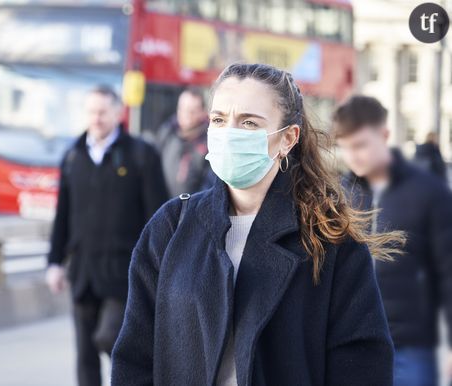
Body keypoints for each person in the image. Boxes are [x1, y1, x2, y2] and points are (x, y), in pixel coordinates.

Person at [111, 63, 402, 385]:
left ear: (288, 139)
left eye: (248, 123)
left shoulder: (329, 239)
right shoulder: (171, 226)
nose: (229, 134)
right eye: (219, 120)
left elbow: (361, 364)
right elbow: (135, 356)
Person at [45, 85, 168, 386]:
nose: (96, 118)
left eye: (102, 112)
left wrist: (159, 265)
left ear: (117, 113)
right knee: (85, 356)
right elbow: (62, 214)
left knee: (111, 338)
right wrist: (55, 262)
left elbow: (159, 214)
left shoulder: (141, 155)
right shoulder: (73, 156)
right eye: (91, 112)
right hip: (83, 270)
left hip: (124, 272)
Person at [334, 95, 452, 386]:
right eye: (345, 147)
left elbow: (449, 271)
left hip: (408, 347)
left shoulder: (428, 192)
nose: (353, 156)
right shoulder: (339, 196)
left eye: (360, 145)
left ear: (384, 136)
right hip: (351, 343)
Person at [153, 88, 214, 197]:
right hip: (163, 205)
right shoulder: (167, 132)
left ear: (203, 112)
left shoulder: (210, 141)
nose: (186, 115)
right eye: (182, 109)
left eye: (192, 111)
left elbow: (209, 185)